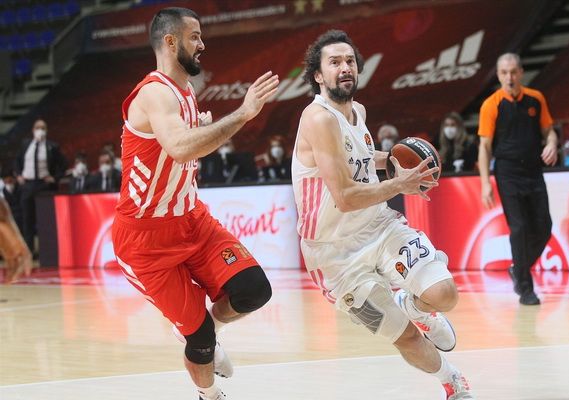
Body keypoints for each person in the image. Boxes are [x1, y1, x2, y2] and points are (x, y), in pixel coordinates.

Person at [292, 30, 474, 400]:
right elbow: (345, 197)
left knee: (444, 294)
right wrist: (398, 185)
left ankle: (416, 307)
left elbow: (361, 158)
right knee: (403, 336)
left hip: (379, 226)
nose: (345, 67)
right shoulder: (318, 119)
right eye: (334, 62)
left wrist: (394, 162)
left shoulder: (357, 112)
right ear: (318, 75)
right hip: (334, 256)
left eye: (349, 61)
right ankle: (452, 381)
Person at [111, 8, 278, 400]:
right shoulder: (154, 93)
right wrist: (244, 113)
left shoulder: (185, 91)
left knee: (254, 290)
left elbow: (180, 147)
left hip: (191, 219)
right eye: (195, 37)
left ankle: (208, 330)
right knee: (198, 338)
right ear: (171, 42)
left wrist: (200, 129)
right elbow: (179, 147)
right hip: (146, 240)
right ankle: (210, 394)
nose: (202, 44)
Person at [478, 53, 558, 305]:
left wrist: (552, 144)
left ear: (521, 72)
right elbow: (484, 146)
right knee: (520, 227)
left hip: (533, 170)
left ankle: (518, 268)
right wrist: (485, 183)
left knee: (544, 226)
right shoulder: (491, 105)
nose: (509, 77)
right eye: (504, 73)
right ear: (498, 75)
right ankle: (525, 289)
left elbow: (549, 131)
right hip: (507, 172)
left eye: (513, 72)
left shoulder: (536, 98)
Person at [15, 118, 67, 253]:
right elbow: (17, 161)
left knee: (45, 220)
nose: (40, 130)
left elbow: (63, 164)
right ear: (33, 130)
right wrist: (19, 175)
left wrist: (54, 178)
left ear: (46, 130)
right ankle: (29, 252)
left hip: (44, 186)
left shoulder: (52, 146)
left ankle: (47, 252)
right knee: (27, 220)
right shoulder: (25, 144)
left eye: (43, 128)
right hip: (27, 185)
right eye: (38, 128)